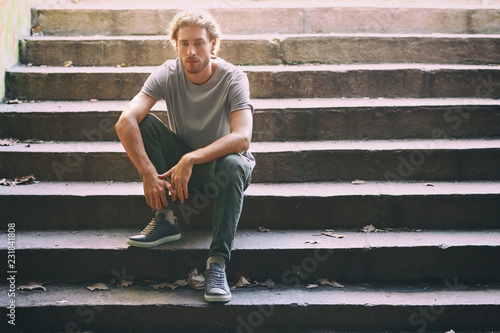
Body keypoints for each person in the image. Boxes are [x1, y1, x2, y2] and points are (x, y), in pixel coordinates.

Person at [115, 9, 254, 303]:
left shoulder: (233, 77)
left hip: (220, 168)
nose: (191, 51)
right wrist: (148, 174)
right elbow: (124, 120)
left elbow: (242, 137)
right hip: (178, 169)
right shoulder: (168, 72)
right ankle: (166, 218)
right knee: (144, 122)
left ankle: (217, 264)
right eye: (184, 44)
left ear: (213, 44)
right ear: (175, 45)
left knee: (234, 163)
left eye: (199, 43)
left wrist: (191, 159)